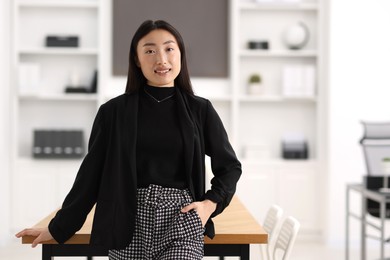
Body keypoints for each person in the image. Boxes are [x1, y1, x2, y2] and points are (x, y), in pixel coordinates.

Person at [16, 19, 242, 259]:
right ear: (137, 59)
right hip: (126, 221)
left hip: (182, 220)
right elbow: (90, 176)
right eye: (150, 51)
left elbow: (230, 167)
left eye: (169, 48)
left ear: (180, 54)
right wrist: (58, 227)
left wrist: (210, 204)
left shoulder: (200, 110)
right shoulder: (112, 112)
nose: (161, 59)